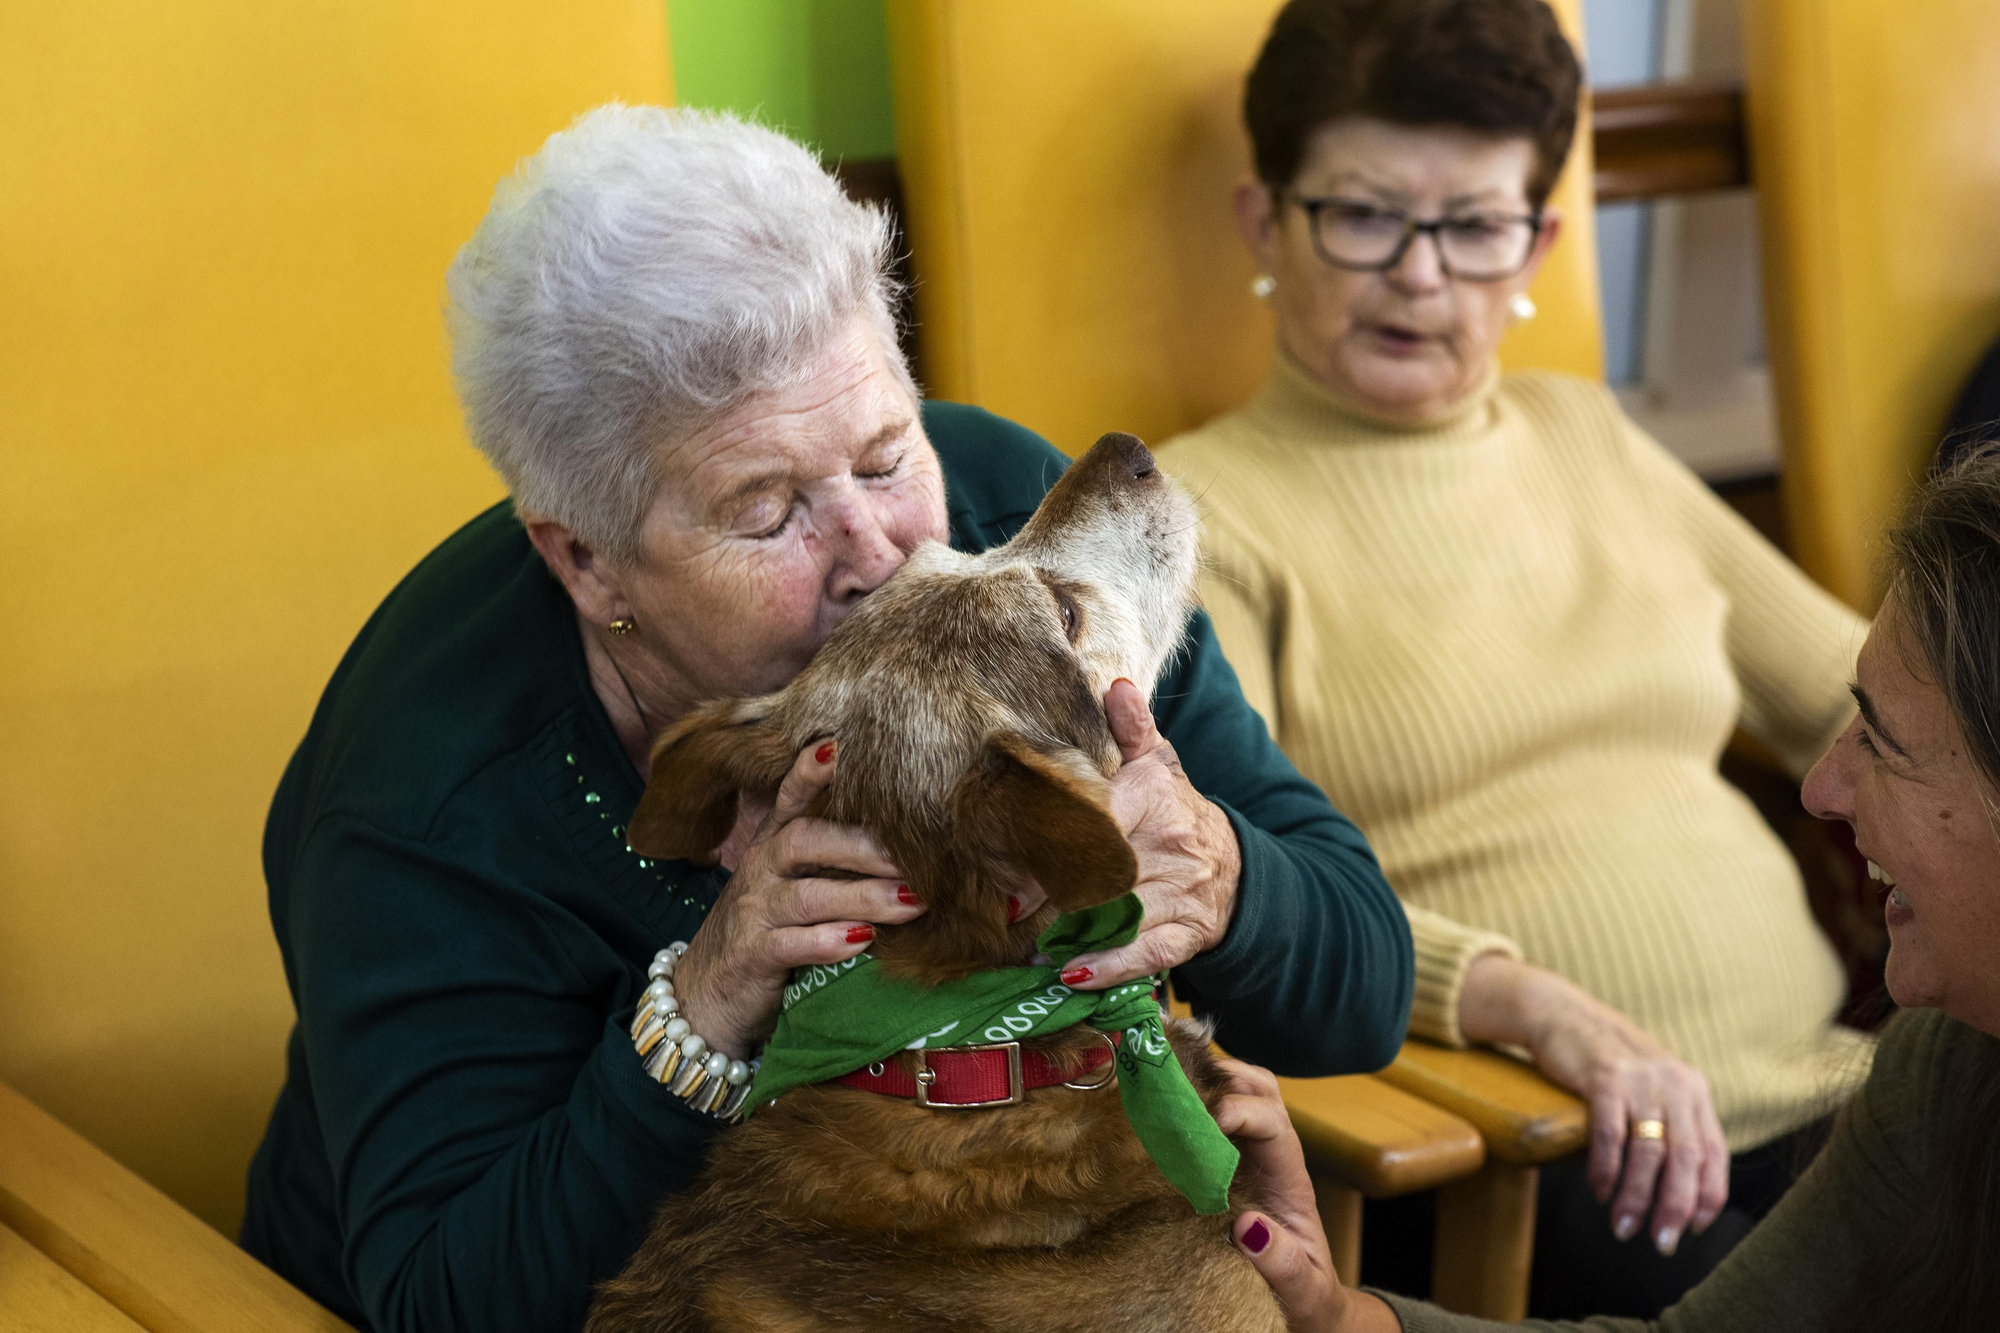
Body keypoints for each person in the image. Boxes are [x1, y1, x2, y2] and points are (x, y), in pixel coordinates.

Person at [237, 104, 1415, 1333]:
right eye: (764, 508)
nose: (877, 552)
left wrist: (1222, 879)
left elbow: (1361, 987)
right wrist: (701, 1010)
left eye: (884, 450)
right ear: (586, 561)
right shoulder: (431, 799)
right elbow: (447, 1304)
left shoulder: (1009, 537)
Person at [1155, 0, 1872, 1315]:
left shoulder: (1583, 433)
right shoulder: (1195, 525)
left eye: (1476, 227)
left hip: (1844, 1086)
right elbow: (1236, 887)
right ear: (1267, 224)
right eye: (1365, 216)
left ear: (1538, 242)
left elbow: (1869, 693)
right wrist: (1545, 1012)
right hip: (1540, 1141)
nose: (1422, 276)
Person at [1220, 449, 2000, 1332]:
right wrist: (1334, 1316)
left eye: (1880, 744)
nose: (1819, 789)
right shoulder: (1949, 1063)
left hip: (1805, 1080)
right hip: (1567, 1132)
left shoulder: (1591, 440)